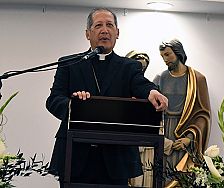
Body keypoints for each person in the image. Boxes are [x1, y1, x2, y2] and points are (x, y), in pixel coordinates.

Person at [46, 8, 168, 187]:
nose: (105, 30)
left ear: (117, 33)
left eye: (109, 25)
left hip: (116, 159)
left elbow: (141, 84)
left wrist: (152, 92)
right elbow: (53, 100)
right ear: (88, 33)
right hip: (75, 155)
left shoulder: (129, 67)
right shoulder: (70, 63)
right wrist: (74, 105)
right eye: (98, 25)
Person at [153, 39, 211, 187]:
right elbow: (151, 110)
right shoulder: (160, 79)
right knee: (161, 175)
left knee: (182, 178)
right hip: (164, 132)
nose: (165, 60)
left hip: (185, 131)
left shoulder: (197, 79)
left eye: (168, 54)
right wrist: (161, 138)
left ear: (178, 53)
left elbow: (203, 115)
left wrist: (190, 139)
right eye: (162, 56)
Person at [125, 50, 154, 187]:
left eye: (143, 68)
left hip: (145, 142)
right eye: (137, 67)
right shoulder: (119, 90)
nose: (140, 71)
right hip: (124, 142)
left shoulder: (148, 91)